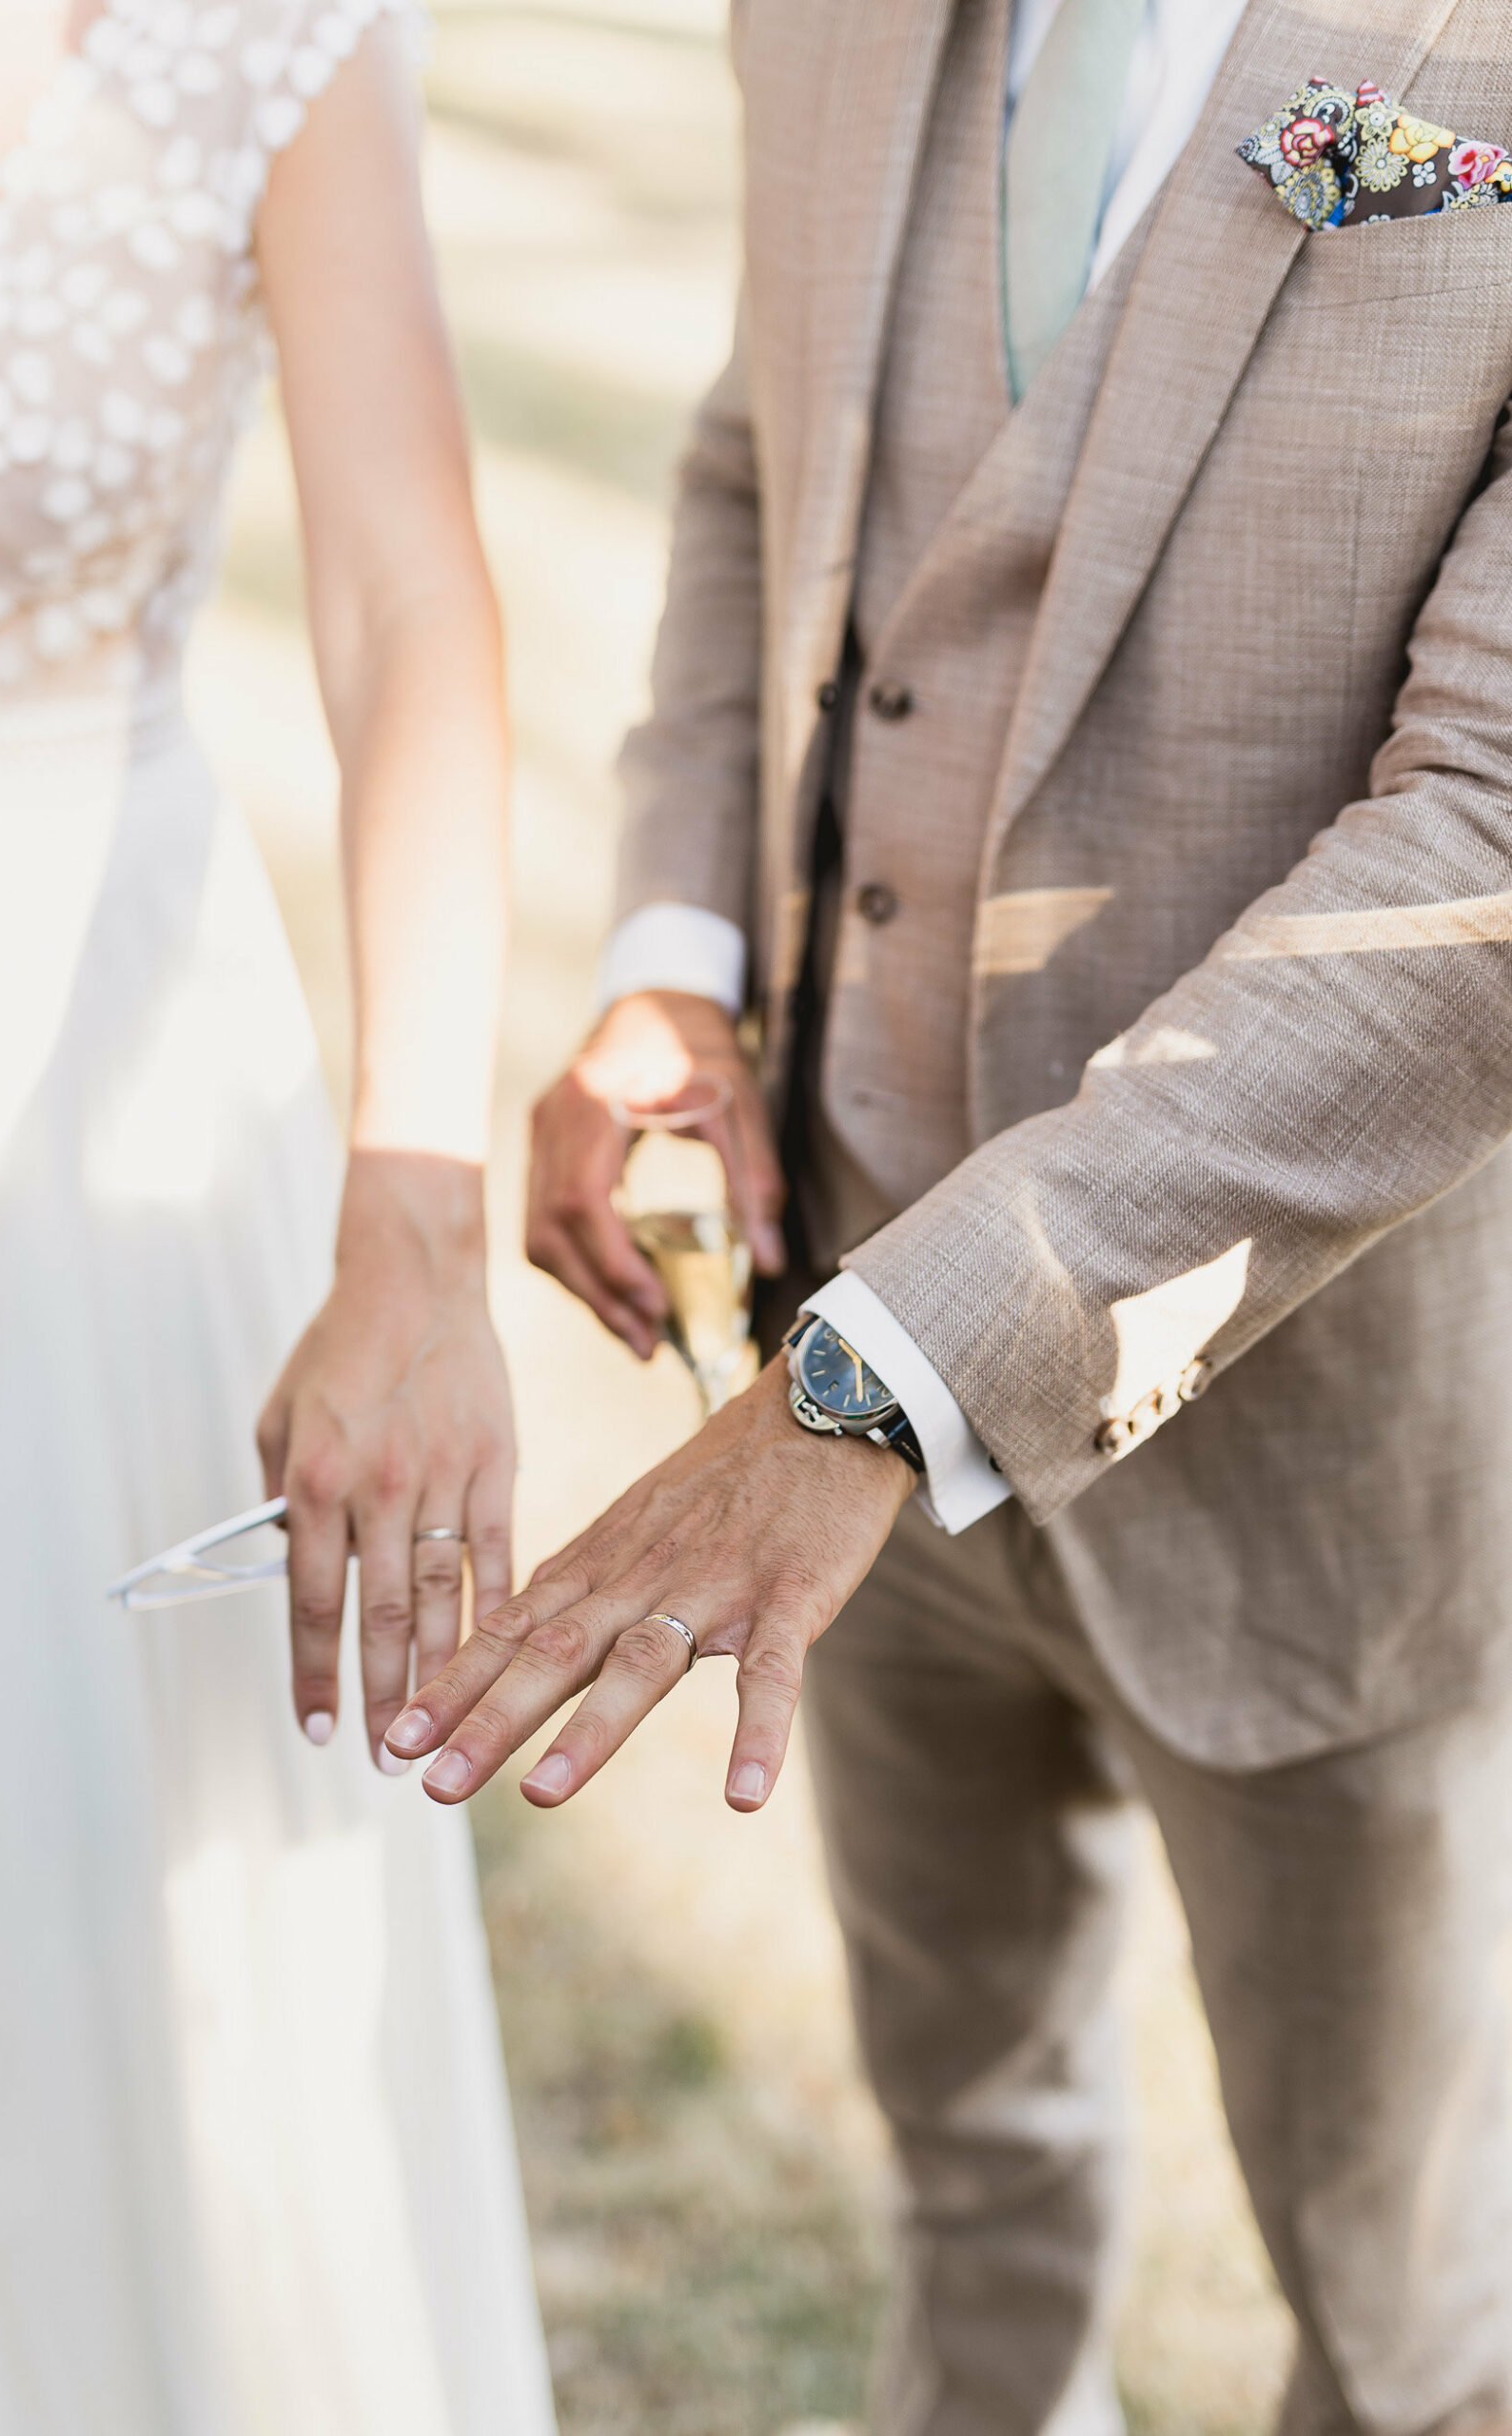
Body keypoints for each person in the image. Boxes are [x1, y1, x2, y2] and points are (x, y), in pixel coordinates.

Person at [383, 1, 1512, 2429]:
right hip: (826, 1287)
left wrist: (892, 1375)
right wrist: (670, 957)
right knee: (971, 2157)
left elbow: (1487, 852)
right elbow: (740, 471)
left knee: (1404, 2320)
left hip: (1316, 1431)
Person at [0, 1, 555, 2428]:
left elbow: (409, 599)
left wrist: (413, 1233)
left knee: (111, 1975)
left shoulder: (253, 25)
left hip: (93, 1131)